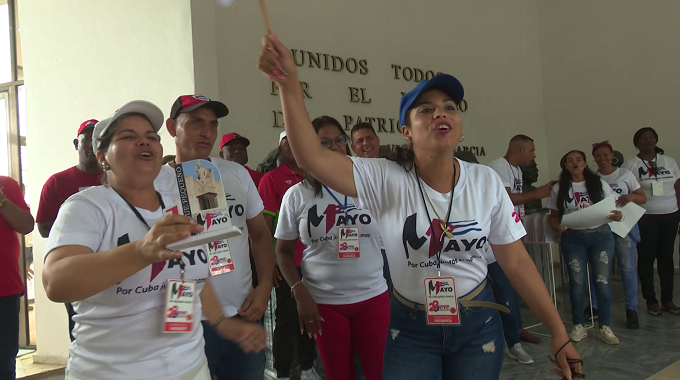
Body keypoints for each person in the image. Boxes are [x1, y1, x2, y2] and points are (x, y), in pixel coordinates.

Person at [258, 34, 581, 380]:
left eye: (449, 107)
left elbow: (515, 261)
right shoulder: (386, 177)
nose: (440, 112)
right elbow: (311, 155)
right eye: (425, 109)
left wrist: (558, 332)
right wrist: (289, 84)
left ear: (458, 126)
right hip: (409, 329)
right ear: (406, 131)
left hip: (477, 323)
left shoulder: (485, 181)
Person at [42, 100, 265, 380]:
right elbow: (55, 282)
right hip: (110, 372)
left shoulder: (182, 204)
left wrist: (223, 323)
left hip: (190, 367)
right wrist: (140, 251)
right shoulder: (87, 207)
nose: (143, 142)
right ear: (102, 156)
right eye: (128, 136)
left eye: (151, 137)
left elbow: (194, 275)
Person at [154, 95, 274, 380]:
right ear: (172, 127)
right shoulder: (153, 182)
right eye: (196, 122)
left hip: (243, 312)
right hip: (185, 319)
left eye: (212, 124)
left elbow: (259, 235)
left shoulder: (236, 174)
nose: (207, 131)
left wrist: (265, 285)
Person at [276, 116, 389, 380]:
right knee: (339, 374)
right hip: (323, 303)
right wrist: (299, 291)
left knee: (378, 373)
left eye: (339, 140)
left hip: (372, 297)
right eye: (324, 142)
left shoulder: (370, 187)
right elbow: (282, 251)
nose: (335, 147)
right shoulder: (297, 195)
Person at [487, 135, 556, 363]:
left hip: (513, 236)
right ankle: (511, 342)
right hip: (496, 244)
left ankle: (516, 330)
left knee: (514, 290)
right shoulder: (498, 167)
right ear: (519, 149)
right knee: (505, 291)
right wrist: (538, 194)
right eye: (532, 150)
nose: (534, 155)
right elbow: (506, 198)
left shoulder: (516, 170)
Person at [258, 131, 321, 380]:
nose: (293, 147)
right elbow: (263, 229)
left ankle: (307, 367)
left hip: (315, 264)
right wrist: (269, 264)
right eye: (287, 142)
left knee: (312, 318)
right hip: (287, 265)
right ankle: (283, 372)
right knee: (286, 320)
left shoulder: (317, 177)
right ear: (280, 148)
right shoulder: (271, 179)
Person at [36, 118, 102, 342]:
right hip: (76, 269)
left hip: (114, 264)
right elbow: (44, 228)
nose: (93, 144)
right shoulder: (57, 183)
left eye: (98, 139)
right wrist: (79, 222)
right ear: (76, 143)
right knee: (81, 330)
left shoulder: (117, 179)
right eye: (87, 139)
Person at [547, 150, 622, 345]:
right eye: (569, 160)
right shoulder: (560, 188)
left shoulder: (599, 184)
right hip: (573, 238)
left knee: (602, 282)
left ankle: (604, 327)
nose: (574, 163)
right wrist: (557, 226)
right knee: (577, 282)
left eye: (578, 160)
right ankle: (578, 325)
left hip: (601, 237)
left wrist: (617, 216)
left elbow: (615, 210)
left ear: (585, 163)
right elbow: (553, 216)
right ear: (565, 165)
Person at [622, 127, 680, 316]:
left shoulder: (668, 161)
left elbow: (677, 186)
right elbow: (627, 192)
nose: (648, 141)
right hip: (645, 217)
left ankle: (668, 300)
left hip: (670, 214)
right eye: (643, 138)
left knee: (666, 257)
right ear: (637, 142)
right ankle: (651, 300)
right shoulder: (631, 164)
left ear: (656, 140)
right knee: (646, 258)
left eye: (651, 138)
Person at [590, 141, 646, 329]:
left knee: (628, 268)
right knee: (598, 268)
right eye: (598, 156)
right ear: (594, 158)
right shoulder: (592, 177)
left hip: (624, 227)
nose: (602, 159)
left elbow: (642, 197)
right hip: (601, 228)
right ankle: (594, 306)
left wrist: (630, 197)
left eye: (605, 155)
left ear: (611, 154)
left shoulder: (625, 174)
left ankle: (632, 309)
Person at [350, 123, 392, 293]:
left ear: (378, 140)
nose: (365, 144)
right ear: (353, 148)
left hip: (393, 247)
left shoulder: (396, 167)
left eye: (369, 138)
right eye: (360, 141)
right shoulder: (348, 170)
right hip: (364, 250)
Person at [0, 176, 34, 380]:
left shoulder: (7, 185)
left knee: (4, 361)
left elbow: (26, 226)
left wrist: (1, 200)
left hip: (5, 291)